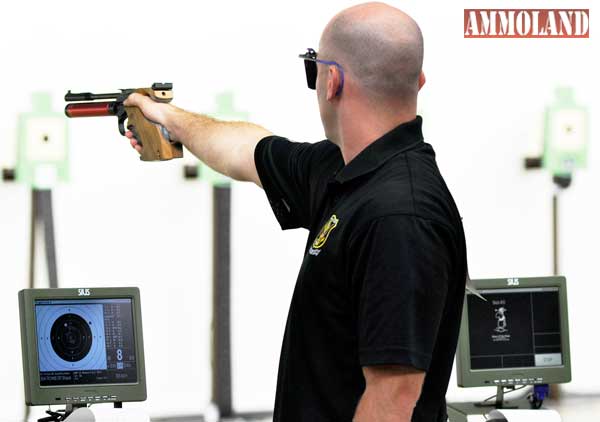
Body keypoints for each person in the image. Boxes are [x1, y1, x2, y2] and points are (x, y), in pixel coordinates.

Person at [124, 2, 467, 421]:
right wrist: (166, 117)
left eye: (314, 69)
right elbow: (246, 150)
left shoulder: (399, 216)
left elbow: (393, 398)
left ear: (332, 81)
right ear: (419, 80)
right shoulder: (346, 171)